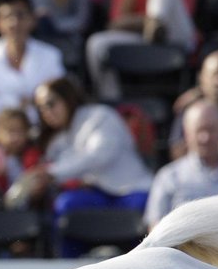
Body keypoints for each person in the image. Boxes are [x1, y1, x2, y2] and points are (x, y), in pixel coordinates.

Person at [28, 76, 152, 257]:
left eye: (51, 103)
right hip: (98, 196)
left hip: (130, 191)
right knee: (65, 205)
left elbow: (99, 155)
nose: (46, 112)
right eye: (41, 108)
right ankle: (66, 268)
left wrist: (52, 173)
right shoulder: (57, 140)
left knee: (145, 207)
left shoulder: (100, 116)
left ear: (67, 98)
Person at [144, 101, 218, 230]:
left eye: (211, 129)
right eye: (199, 130)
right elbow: (155, 227)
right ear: (187, 133)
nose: (205, 138)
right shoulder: (168, 177)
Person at [0, 0, 64, 139]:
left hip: (42, 136)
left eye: (20, 15)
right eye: (7, 17)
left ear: (32, 19)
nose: (14, 23)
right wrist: (21, 102)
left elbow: (58, 101)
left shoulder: (51, 56)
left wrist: (2, 99)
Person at [84, 0, 197, 101]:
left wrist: (154, 21)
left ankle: (156, 20)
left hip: (175, 34)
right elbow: (117, 21)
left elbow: (185, 9)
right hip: (144, 35)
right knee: (96, 44)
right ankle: (112, 102)